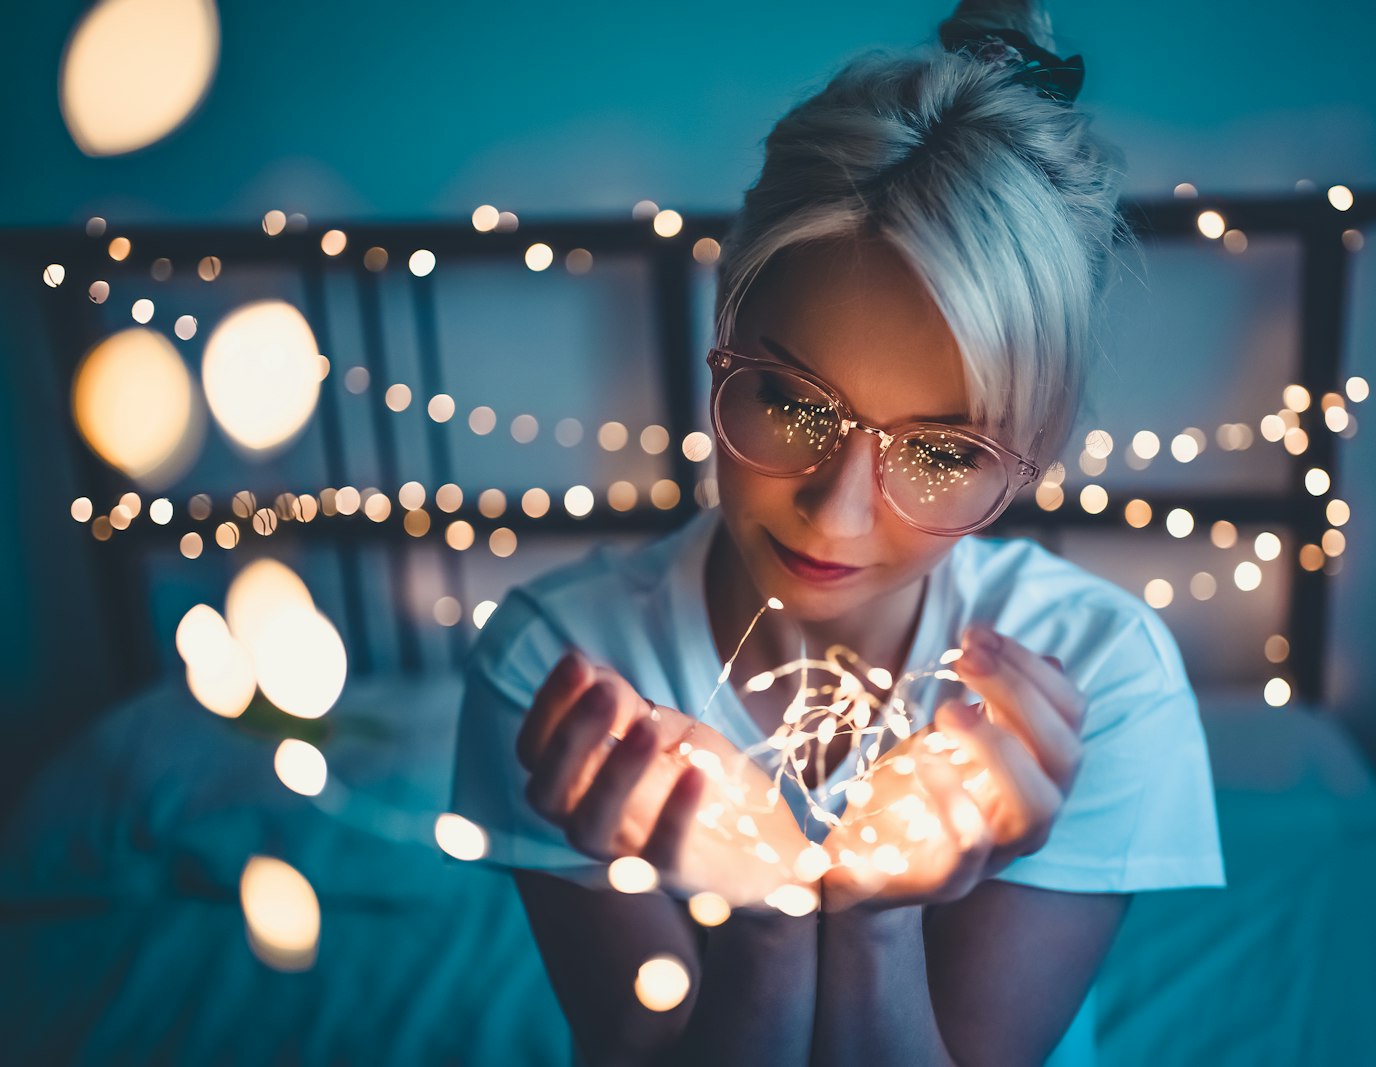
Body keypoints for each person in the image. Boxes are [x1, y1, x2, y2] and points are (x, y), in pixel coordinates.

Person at [450, 1, 1224, 1062]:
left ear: (1032, 453)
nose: (836, 510)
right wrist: (767, 923)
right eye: (794, 403)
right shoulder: (562, 671)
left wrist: (874, 916)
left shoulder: (1102, 679)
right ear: (724, 324)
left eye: (943, 451)